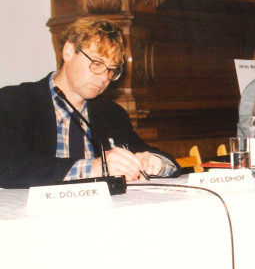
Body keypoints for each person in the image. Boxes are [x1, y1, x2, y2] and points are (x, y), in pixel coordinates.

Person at [0, 19, 179, 189]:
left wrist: (156, 162)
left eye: (111, 70)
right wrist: (93, 168)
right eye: (97, 63)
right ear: (69, 51)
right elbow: (7, 166)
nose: (103, 77)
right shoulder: (14, 102)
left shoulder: (110, 112)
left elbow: (160, 157)